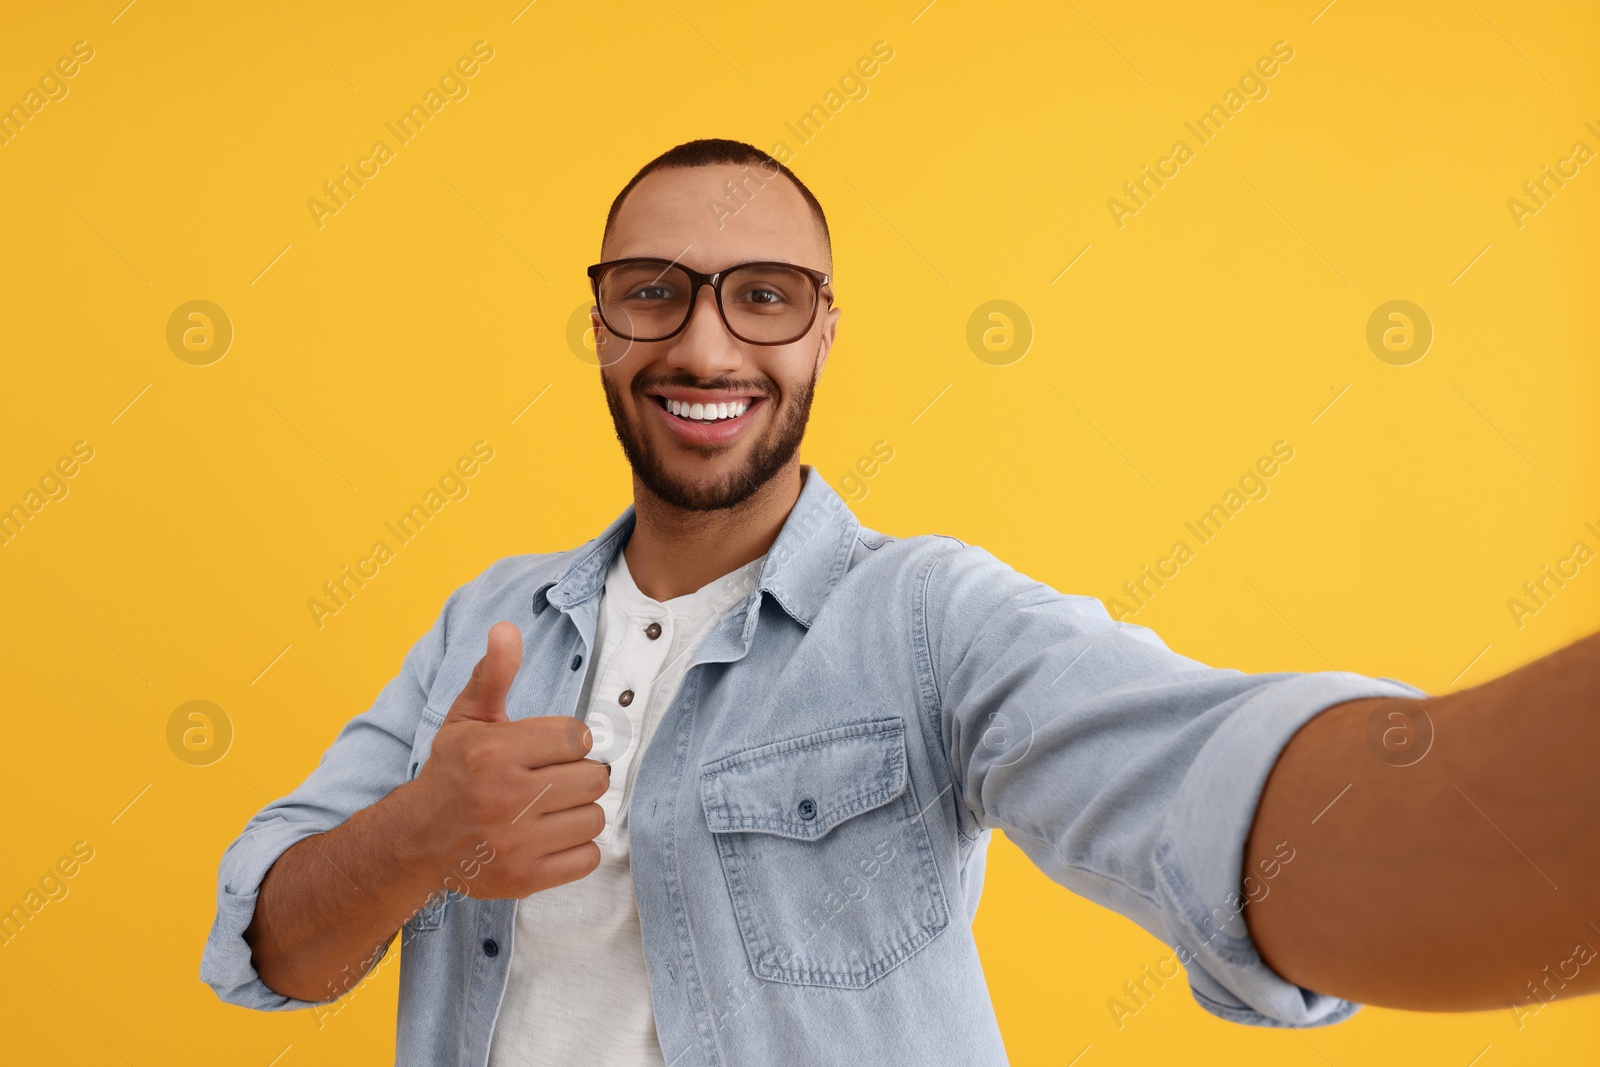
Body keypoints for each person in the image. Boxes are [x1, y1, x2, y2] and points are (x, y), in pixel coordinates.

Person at [200, 138, 1600, 1066]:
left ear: (822, 329)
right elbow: (272, 942)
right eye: (652, 293)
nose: (704, 341)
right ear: (602, 326)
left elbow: (1212, 793)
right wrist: (420, 838)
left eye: (762, 296)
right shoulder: (490, 624)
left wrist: (1464, 803)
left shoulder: (926, 619)